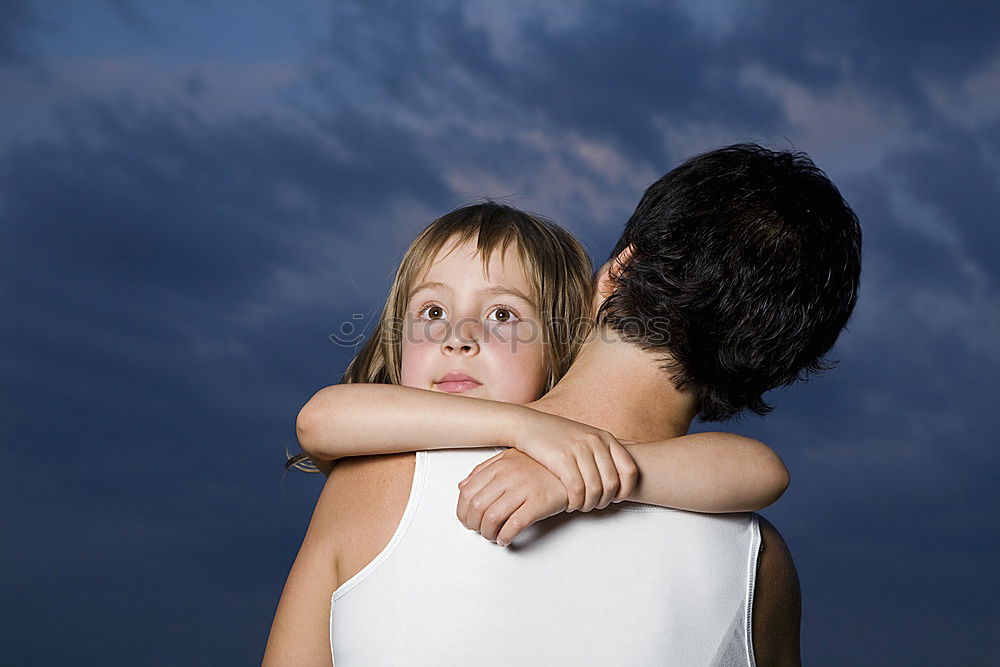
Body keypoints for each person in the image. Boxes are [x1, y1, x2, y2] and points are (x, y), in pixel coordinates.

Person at [272, 143, 862, 665]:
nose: (458, 336)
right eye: (432, 312)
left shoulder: (378, 477)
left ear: (616, 272)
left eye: (502, 314)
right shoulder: (762, 570)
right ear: (775, 364)